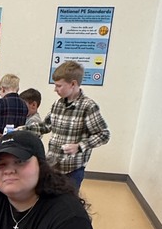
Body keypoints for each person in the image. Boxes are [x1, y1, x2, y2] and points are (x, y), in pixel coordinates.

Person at [28, 61, 110, 191]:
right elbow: (46, 126)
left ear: (73, 84)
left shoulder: (88, 107)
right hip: (53, 165)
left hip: (72, 169)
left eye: (59, 86)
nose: (55, 90)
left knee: (67, 203)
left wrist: (79, 146)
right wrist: (21, 130)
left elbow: (103, 135)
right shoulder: (57, 104)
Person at [0, 74, 28, 138]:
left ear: (2, 89)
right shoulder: (24, 104)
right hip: (17, 141)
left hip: (0, 141)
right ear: (17, 89)